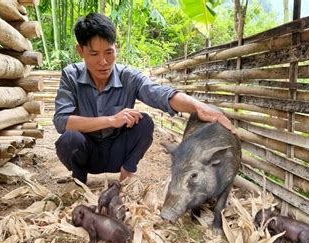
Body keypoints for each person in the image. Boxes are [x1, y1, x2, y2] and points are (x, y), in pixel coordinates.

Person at [53, 12, 237, 184]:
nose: (103, 62)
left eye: (109, 52)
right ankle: (79, 177)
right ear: (80, 51)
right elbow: (61, 121)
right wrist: (111, 120)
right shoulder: (71, 75)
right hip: (86, 152)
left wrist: (198, 106)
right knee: (69, 139)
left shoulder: (129, 76)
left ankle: (127, 174)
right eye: (94, 54)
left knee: (145, 122)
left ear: (116, 48)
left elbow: (160, 93)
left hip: (118, 152)